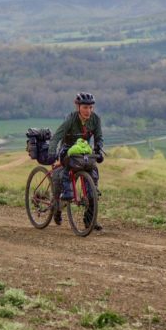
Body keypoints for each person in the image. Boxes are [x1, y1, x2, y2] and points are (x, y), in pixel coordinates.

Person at [50, 92, 104, 228]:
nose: (88, 111)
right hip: (68, 150)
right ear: (78, 107)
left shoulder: (95, 119)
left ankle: (90, 220)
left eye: (91, 107)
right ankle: (56, 208)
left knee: (93, 182)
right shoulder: (70, 119)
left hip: (83, 152)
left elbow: (99, 138)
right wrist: (52, 151)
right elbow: (57, 136)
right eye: (85, 107)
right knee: (62, 177)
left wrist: (99, 149)